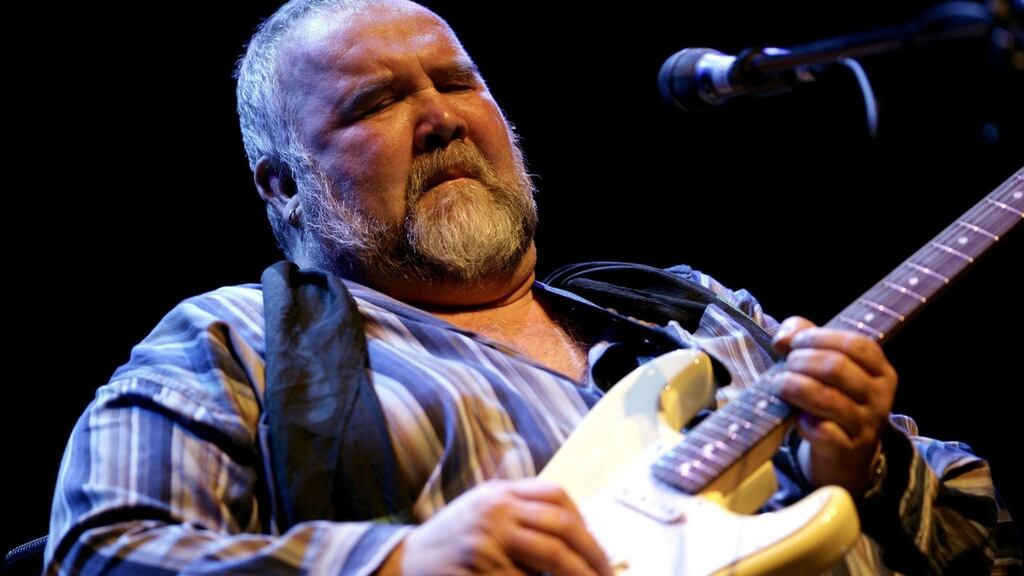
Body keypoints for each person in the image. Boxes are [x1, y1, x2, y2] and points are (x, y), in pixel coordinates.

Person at [44, 0, 1020, 574]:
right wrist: (399, 562)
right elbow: (97, 553)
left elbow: (991, 537)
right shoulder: (238, 339)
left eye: (457, 82)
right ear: (283, 187)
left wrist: (863, 467)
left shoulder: (693, 309)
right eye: (377, 102)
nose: (440, 117)